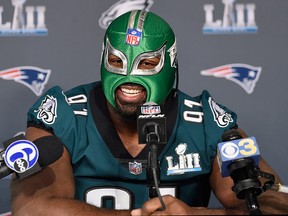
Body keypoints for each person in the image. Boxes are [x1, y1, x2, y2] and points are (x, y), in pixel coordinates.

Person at [10, 10, 288, 215]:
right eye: (117, 60)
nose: (129, 77)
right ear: (102, 59)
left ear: (170, 63)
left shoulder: (206, 122)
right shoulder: (64, 114)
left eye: (148, 63)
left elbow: (275, 205)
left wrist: (195, 215)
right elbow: (32, 207)